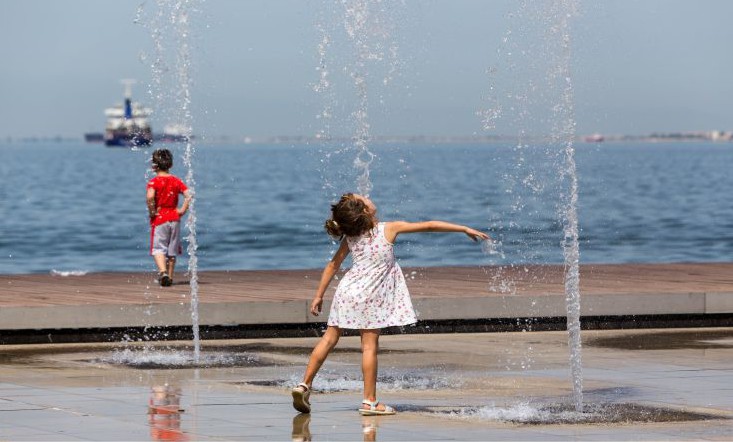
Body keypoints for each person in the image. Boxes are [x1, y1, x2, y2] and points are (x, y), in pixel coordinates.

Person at [291, 193, 489, 416]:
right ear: (366, 211)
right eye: (364, 199)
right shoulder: (388, 229)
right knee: (368, 347)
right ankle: (370, 402)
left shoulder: (351, 236)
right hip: (370, 296)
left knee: (329, 338)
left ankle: (304, 385)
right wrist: (463, 228)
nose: (367, 196)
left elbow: (332, 265)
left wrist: (319, 295)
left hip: (346, 292)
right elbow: (429, 226)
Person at [146, 149, 191, 287]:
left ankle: (163, 272)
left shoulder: (154, 182)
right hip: (175, 218)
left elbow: (150, 197)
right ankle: (170, 278)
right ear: (170, 165)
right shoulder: (176, 181)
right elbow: (189, 194)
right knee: (172, 250)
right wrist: (182, 209)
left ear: (154, 166)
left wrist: (153, 211)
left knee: (158, 249)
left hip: (160, 219)